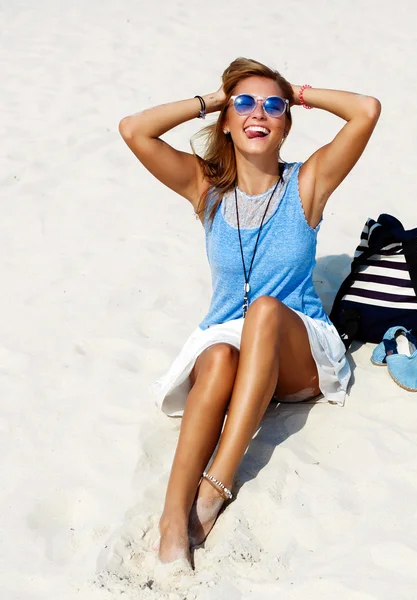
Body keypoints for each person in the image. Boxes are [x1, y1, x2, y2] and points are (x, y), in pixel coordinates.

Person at [118, 57, 380, 567]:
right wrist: (211, 100)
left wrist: (296, 91)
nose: (257, 113)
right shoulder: (207, 190)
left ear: (286, 124)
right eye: (244, 103)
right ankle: (174, 519)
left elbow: (366, 111)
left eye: (272, 107)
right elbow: (134, 131)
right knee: (216, 356)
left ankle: (216, 484)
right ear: (226, 121)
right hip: (231, 350)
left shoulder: (307, 183)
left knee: (263, 309)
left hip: (295, 348)